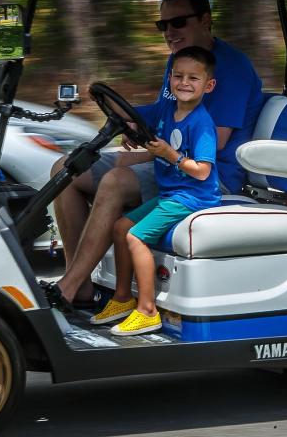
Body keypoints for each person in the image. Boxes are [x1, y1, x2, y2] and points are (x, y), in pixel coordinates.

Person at [45, 0, 264, 308]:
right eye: (163, 26)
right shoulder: (179, 63)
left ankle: (67, 287)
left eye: (178, 23)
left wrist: (145, 146)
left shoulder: (230, 68)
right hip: (169, 162)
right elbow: (164, 111)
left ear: (205, 20)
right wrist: (125, 115)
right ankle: (77, 284)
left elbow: (213, 143)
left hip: (208, 176)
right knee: (67, 168)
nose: (170, 32)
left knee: (116, 181)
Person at [88, 46, 221, 334]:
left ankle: (147, 310)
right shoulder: (165, 109)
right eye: (178, 76)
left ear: (208, 86)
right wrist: (127, 124)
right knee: (121, 227)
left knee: (135, 237)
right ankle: (122, 299)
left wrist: (170, 154)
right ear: (169, 79)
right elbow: (132, 113)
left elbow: (203, 171)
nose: (184, 83)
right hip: (171, 194)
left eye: (193, 79)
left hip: (193, 197)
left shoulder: (202, 124)